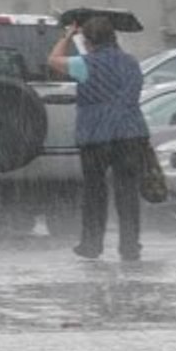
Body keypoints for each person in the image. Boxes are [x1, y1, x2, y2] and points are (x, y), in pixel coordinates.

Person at [48, 15, 149, 262]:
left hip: (96, 136)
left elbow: (53, 61)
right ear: (113, 38)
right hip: (130, 133)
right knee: (127, 192)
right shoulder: (131, 63)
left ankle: (92, 244)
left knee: (95, 192)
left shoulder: (84, 64)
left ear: (88, 41)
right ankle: (130, 246)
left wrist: (67, 36)